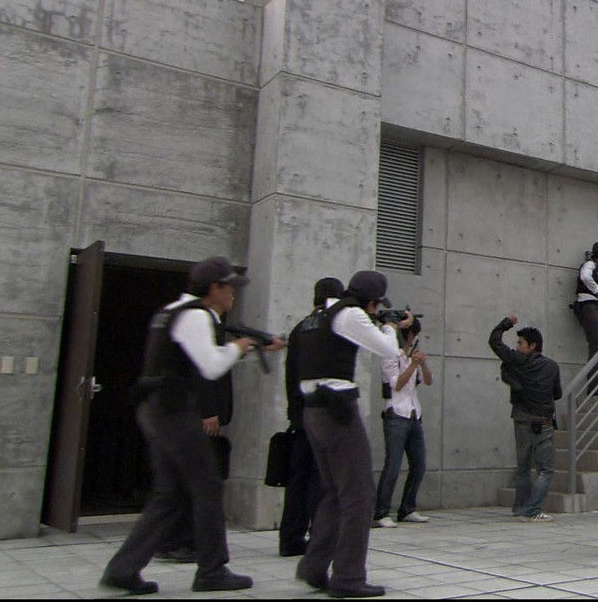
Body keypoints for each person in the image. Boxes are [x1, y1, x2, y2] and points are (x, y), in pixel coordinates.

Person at [100, 256, 284, 595]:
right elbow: (211, 366)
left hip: (157, 409)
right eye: (230, 288)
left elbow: (198, 357)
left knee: (169, 495)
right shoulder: (197, 315)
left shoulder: (170, 311)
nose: (233, 295)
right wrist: (239, 346)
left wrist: (248, 345)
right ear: (214, 288)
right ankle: (212, 571)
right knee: (208, 488)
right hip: (174, 412)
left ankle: (122, 570)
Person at [293, 270, 415, 598]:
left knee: (334, 493)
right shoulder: (350, 314)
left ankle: (314, 566)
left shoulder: (318, 316)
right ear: (372, 302)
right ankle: (348, 577)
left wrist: (379, 320)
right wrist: (390, 326)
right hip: (337, 410)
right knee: (359, 495)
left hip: (313, 410)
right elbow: (388, 350)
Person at [278, 277, 344, 557]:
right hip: (320, 413)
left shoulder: (300, 328)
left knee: (298, 479)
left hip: (299, 413)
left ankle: (290, 538)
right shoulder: (329, 327)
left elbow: (291, 373)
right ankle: (319, 536)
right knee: (321, 479)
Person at [489, 314, 562, 522]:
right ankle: (532, 510)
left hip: (521, 419)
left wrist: (506, 323)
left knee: (523, 468)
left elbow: (494, 341)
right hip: (542, 421)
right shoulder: (551, 366)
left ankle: (520, 508)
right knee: (546, 469)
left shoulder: (515, 362)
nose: (518, 346)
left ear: (532, 346)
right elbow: (557, 393)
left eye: (521, 343)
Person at [154, 374, 233, 564]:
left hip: (192, 415)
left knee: (188, 484)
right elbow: (203, 373)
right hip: (197, 416)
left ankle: (176, 541)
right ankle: (182, 542)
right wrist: (208, 411)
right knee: (197, 485)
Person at [373, 317, 432, 528]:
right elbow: (396, 384)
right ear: (409, 335)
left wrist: (422, 364)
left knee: (419, 464)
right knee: (393, 465)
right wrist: (413, 363)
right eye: (415, 335)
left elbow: (428, 381)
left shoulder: (411, 357)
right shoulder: (390, 355)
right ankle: (380, 512)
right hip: (396, 414)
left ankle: (407, 508)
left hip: (414, 414)